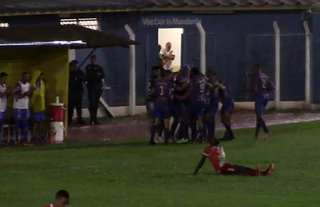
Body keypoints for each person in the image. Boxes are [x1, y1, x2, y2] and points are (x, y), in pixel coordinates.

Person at [193, 137, 275, 176]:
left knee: (241, 168)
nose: (210, 139)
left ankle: (261, 172)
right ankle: (260, 173)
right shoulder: (208, 149)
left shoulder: (220, 148)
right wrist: (195, 171)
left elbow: (223, 159)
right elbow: (202, 161)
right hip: (222, 170)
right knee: (239, 170)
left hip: (226, 166)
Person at [250, 64, 274, 140]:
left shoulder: (255, 77)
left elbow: (253, 88)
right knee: (258, 116)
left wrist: (251, 90)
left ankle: (267, 132)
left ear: (256, 69)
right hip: (266, 97)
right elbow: (272, 87)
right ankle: (256, 135)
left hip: (259, 97)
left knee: (259, 116)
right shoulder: (265, 76)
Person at [153, 70, 174, 145]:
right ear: (167, 75)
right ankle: (166, 140)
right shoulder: (169, 83)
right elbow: (172, 93)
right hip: (166, 104)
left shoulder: (157, 82)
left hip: (158, 103)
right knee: (166, 122)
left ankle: (152, 139)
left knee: (157, 121)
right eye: (171, 75)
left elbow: (153, 92)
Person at [13, 72, 34, 145]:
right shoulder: (18, 85)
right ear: (22, 77)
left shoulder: (28, 85)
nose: (26, 78)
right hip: (18, 107)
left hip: (25, 107)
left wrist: (31, 93)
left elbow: (29, 96)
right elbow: (20, 96)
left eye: (27, 77)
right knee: (17, 124)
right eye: (25, 77)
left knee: (26, 124)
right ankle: (16, 140)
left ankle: (26, 140)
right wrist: (28, 92)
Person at [85, 55, 105, 125]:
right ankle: (92, 118)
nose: (93, 60)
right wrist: (96, 76)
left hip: (97, 88)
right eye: (92, 59)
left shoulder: (99, 68)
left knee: (96, 103)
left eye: (94, 59)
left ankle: (95, 118)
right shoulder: (89, 67)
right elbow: (90, 76)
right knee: (92, 103)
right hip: (91, 88)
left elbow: (102, 76)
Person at [30, 70, 46, 144]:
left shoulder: (42, 83)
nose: (41, 77)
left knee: (41, 122)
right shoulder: (32, 85)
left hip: (42, 106)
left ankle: (40, 136)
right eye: (40, 75)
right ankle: (33, 137)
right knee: (35, 122)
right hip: (35, 106)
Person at [146, 66, 161, 144]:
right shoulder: (154, 80)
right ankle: (153, 138)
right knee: (154, 120)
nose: (158, 73)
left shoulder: (152, 80)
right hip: (152, 100)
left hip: (153, 100)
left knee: (156, 120)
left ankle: (154, 137)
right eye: (157, 71)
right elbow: (151, 91)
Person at [68, 60, 86, 125]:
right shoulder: (69, 73)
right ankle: (69, 119)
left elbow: (84, 79)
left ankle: (80, 118)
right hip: (71, 92)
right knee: (71, 106)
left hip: (78, 91)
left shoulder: (80, 72)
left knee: (79, 106)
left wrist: (79, 78)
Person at [204, 68, 219, 140]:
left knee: (211, 118)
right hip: (207, 103)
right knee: (206, 119)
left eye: (210, 75)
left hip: (213, 104)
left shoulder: (215, 84)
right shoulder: (206, 83)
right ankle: (208, 135)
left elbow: (215, 94)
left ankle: (211, 135)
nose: (208, 77)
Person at [0, 72, 9, 145]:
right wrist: (6, 91)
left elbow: (5, 96)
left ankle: (0, 140)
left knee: (1, 125)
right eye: (5, 78)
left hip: (3, 108)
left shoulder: (4, 86)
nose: (6, 80)